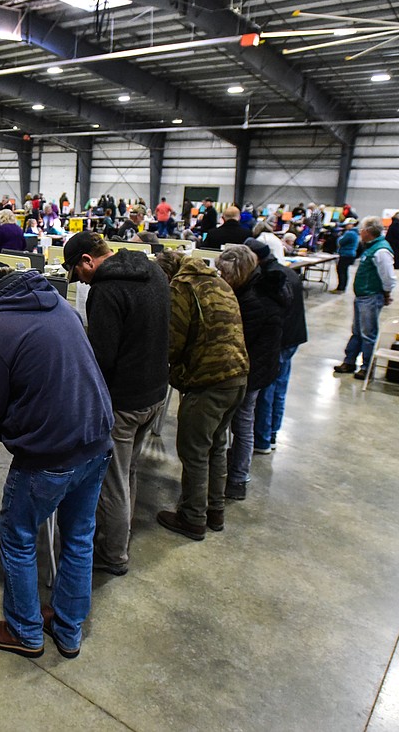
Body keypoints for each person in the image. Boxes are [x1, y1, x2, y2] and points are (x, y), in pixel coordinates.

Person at [0, 262, 113, 660]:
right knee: (78, 538)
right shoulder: (60, 305)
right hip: (96, 440)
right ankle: (68, 629)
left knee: (18, 534)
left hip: (49, 455)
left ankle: (25, 631)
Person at [62, 232, 169, 576]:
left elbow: (101, 358)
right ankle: (121, 534)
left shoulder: (106, 290)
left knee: (112, 479)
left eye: (78, 274)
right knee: (129, 471)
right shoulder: (153, 271)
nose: (81, 281)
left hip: (124, 401)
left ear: (86, 261)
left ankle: (112, 553)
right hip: (154, 393)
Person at [154, 250, 248, 540]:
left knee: (193, 451)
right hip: (238, 376)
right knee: (217, 445)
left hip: (208, 380)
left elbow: (173, 343)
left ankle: (193, 517)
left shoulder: (181, 287)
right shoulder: (217, 281)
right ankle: (214, 510)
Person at [215, 245, 284, 501]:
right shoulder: (261, 287)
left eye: (225, 272)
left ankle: (238, 478)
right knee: (243, 422)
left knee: (242, 423)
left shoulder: (253, 300)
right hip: (260, 365)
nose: (222, 277)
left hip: (251, 370)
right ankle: (236, 469)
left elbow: (239, 340)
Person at [246, 239, 307, 455]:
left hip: (278, 341)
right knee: (279, 389)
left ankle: (261, 439)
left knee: (265, 391)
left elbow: (267, 315)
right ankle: (271, 435)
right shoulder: (287, 272)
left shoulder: (267, 279)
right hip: (293, 338)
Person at [333, 217, 396, 380]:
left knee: (368, 334)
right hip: (362, 296)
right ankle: (349, 361)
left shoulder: (381, 250)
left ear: (368, 231)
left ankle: (366, 367)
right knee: (357, 332)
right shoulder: (371, 247)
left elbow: (388, 277)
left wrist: (387, 293)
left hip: (371, 296)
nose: (360, 232)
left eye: (362, 229)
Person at [333, 218, 359, 293]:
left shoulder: (350, 233)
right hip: (350, 254)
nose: (345, 226)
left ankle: (340, 288)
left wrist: (339, 237)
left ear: (351, 224)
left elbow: (340, 242)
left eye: (347, 225)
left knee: (341, 271)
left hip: (345, 254)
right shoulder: (355, 233)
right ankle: (342, 287)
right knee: (344, 271)